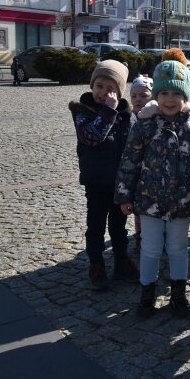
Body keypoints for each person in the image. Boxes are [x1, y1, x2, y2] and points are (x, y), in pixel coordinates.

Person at [115, 60, 190, 318]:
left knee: (178, 247)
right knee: (149, 248)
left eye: (176, 93)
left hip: (183, 201)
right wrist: (124, 195)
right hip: (149, 200)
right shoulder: (145, 125)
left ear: (185, 94)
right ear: (156, 95)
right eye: (164, 93)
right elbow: (129, 161)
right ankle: (147, 293)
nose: (170, 99)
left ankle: (178, 293)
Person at [69, 60, 139, 290]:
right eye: (99, 86)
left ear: (119, 92)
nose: (103, 92)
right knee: (96, 225)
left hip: (120, 184)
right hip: (96, 182)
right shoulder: (83, 112)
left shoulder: (125, 115)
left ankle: (121, 260)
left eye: (110, 88)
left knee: (119, 226)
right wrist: (108, 111)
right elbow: (92, 137)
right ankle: (96, 263)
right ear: (92, 86)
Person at [128, 74, 153, 245]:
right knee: (139, 207)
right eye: (134, 96)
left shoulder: (156, 118)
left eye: (144, 95)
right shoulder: (129, 118)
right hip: (136, 171)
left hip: (153, 171)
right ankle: (140, 233)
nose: (138, 99)